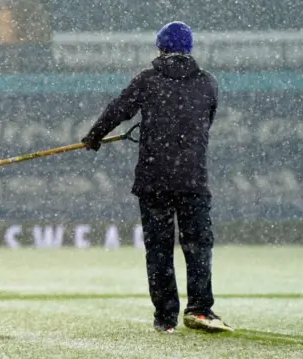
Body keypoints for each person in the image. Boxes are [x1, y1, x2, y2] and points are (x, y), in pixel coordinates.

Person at [81, 21, 233, 334]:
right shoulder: (208, 82)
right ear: (189, 49)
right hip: (193, 179)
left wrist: (94, 136)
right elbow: (206, 122)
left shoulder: (147, 80)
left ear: (160, 48)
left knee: (159, 250)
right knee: (198, 247)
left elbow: (118, 109)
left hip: (154, 180)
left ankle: (165, 319)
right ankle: (200, 309)